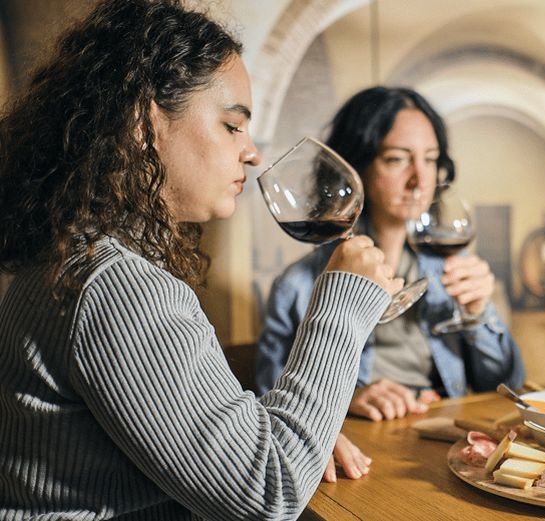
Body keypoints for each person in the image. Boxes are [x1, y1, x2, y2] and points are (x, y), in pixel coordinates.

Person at [0, 1, 402, 519]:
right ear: (143, 124)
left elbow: (202, 438)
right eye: (233, 126)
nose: (253, 153)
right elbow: (267, 495)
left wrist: (299, 434)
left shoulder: (80, 258)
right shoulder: (115, 287)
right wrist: (342, 305)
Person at [255, 86, 525, 481]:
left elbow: (506, 385)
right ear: (356, 166)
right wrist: (349, 397)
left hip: (440, 446)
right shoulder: (297, 285)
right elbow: (268, 403)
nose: (419, 179)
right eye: (397, 159)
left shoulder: (451, 269)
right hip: (360, 455)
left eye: (430, 159)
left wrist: (479, 315)